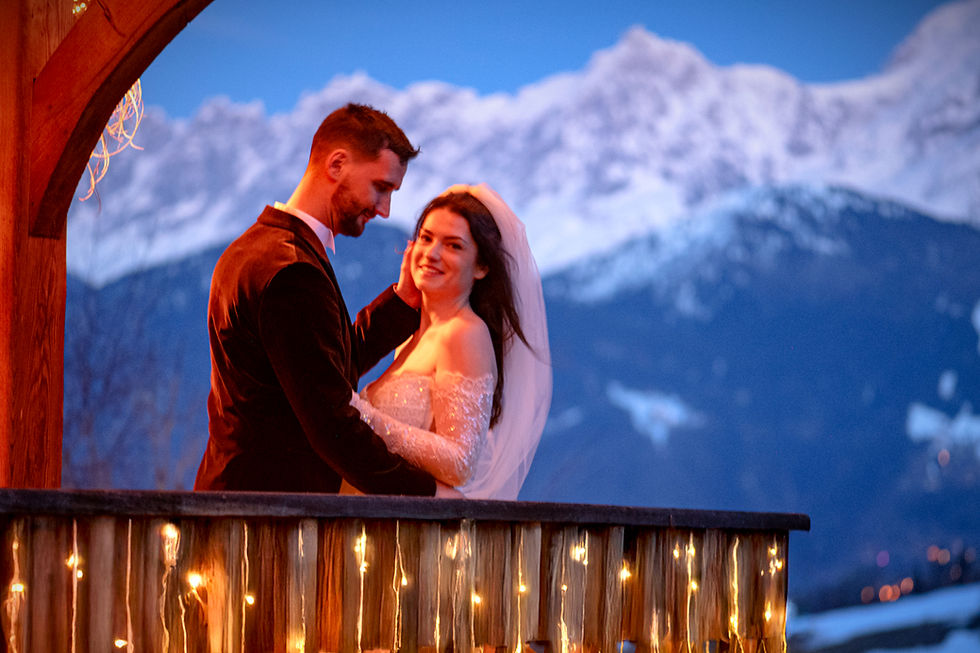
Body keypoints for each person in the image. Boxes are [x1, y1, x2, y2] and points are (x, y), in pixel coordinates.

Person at [195, 103, 448, 496]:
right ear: (337, 165)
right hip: (262, 518)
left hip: (234, 499)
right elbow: (332, 425)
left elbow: (322, 368)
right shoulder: (292, 271)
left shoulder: (253, 248)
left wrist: (402, 302)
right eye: (381, 188)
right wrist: (432, 495)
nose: (384, 210)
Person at [349, 183, 552, 500]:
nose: (431, 254)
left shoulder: (464, 333)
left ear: (482, 267)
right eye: (426, 238)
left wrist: (361, 414)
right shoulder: (413, 335)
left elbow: (459, 463)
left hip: (404, 528)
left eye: (453, 246)